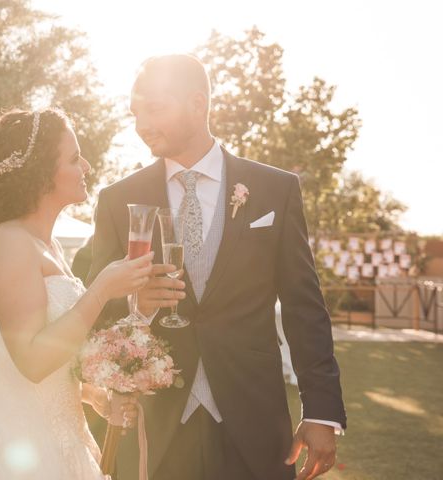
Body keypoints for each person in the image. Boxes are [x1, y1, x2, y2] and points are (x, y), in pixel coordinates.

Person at [87, 55, 346, 480]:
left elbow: (304, 306)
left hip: (254, 413)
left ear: (197, 103)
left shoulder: (274, 190)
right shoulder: (117, 200)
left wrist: (320, 409)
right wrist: (141, 307)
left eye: (154, 109)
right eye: (135, 114)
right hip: (157, 418)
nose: (142, 125)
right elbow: (99, 312)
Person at [0, 108, 150, 479]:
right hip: (10, 451)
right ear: (42, 174)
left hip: (58, 440)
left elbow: (49, 354)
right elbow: (31, 360)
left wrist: (95, 396)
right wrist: (103, 288)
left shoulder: (46, 246)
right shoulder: (9, 243)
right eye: (74, 158)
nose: (86, 166)